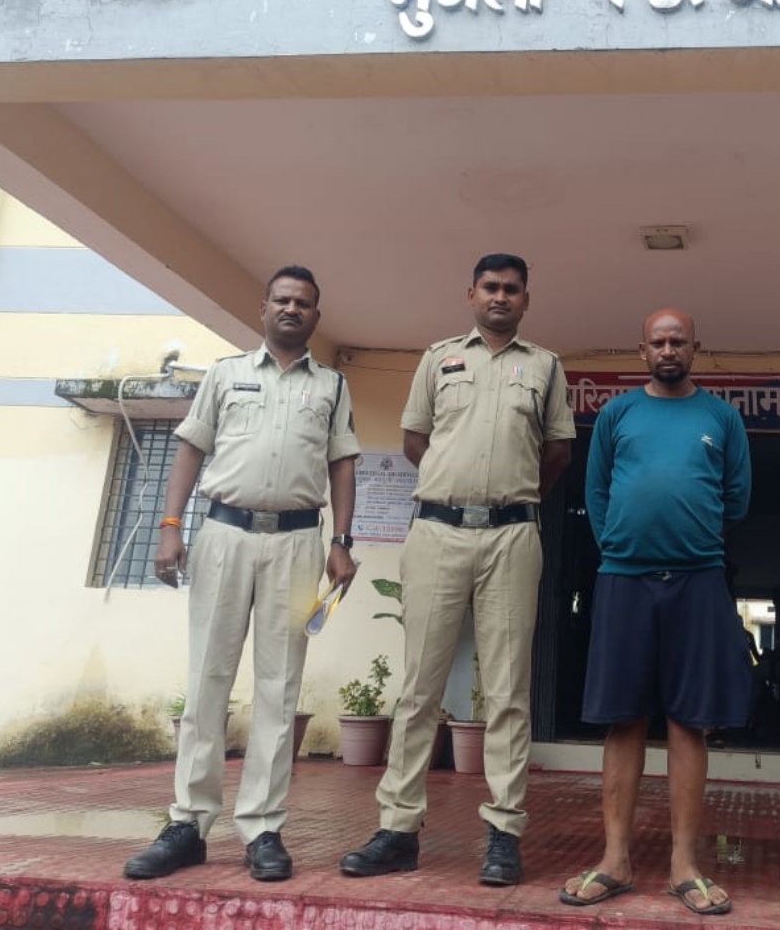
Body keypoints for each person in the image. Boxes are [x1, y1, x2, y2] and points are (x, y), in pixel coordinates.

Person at [340, 253, 574, 886]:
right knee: (419, 686)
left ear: (526, 299)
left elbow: (557, 451)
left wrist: (509, 496)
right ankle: (397, 830)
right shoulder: (437, 359)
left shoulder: (545, 366)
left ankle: (503, 833)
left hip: (512, 537)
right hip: (437, 533)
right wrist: (456, 485)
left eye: (512, 289)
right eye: (490, 287)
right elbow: (415, 440)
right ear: (471, 293)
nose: (500, 297)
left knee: (508, 691)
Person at [123, 265, 360, 884]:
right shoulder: (225, 374)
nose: (291, 309)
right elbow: (191, 447)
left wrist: (341, 542)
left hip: (298, 542)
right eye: (282, 300)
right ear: (263, 308)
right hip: (223, 535)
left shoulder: (332, 385)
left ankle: (262, 828)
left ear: (316, 316)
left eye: (303, 303)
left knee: (280, 688)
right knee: (207, 678)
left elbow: (342, 465)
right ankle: (187, 824)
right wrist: (170, 527)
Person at [559, 308, 752, 917]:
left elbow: (737, 498)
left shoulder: (722, 417)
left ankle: (683, 866)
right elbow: (595, 491)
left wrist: (689, 537)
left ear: (696, 347)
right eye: (658, 342)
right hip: (624, 578)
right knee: (623, 720)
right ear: (641, 351)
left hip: (699, 579)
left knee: (689, 723)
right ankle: (614, 861)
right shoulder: (616, 414)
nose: (669, 350)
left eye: (679, 341)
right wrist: (624, 541)